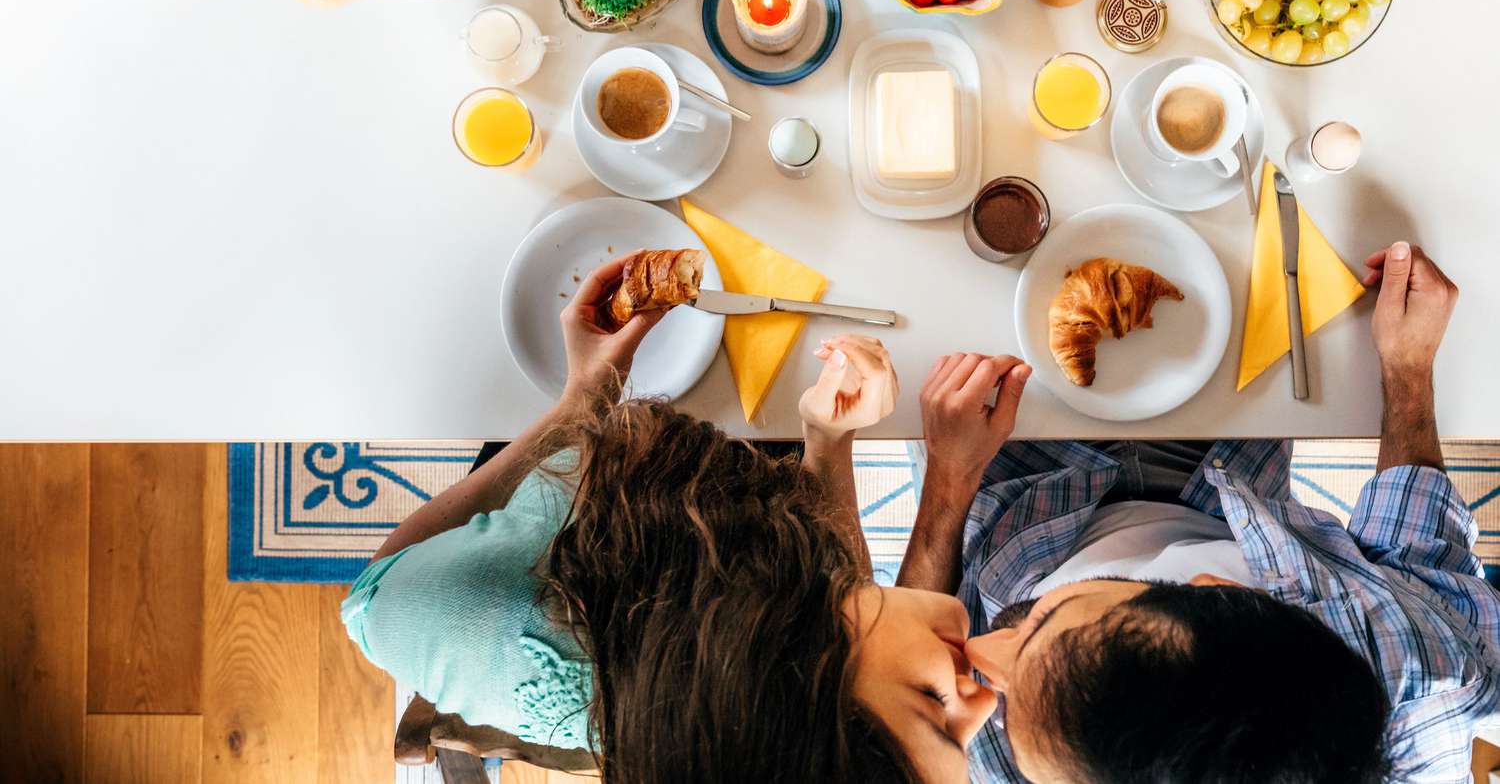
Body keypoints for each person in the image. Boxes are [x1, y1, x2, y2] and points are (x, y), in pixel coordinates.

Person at [341, 252, 997, 783]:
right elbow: (851, 589)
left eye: (936, 710)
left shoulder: (487, 613)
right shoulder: (804, 625)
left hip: (565, 497)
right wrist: (827, 437)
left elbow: (368, 598)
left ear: (789, 681)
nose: (986, 702)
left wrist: (578, 403)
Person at [895, 241, 1494, 784]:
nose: (973, 653)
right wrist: (1408, 367)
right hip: (1221, 479)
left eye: (1011, 717)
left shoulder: (977, 763)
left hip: (1004, 496)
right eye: (1038, 629)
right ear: (1218, 592)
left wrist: (949, 479)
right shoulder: (1428, 673)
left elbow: (904, 636)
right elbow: (1419, 545)